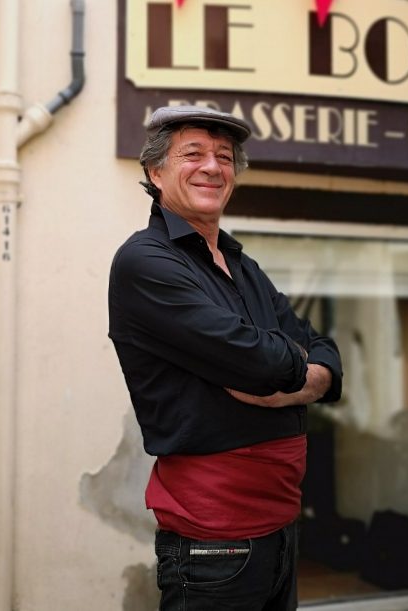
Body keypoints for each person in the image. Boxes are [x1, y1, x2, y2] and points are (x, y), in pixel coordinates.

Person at [108, 105, 343, 611]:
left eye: (224, 156)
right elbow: (259, 363)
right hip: (214, 540)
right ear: (156, 172)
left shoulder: (242, 264)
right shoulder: (146, 261)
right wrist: (286, 367)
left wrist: (299, 376)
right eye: (192, 154)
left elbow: (320, 348)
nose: (213, 167)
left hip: (280, 525)